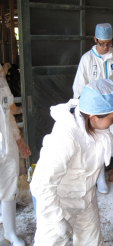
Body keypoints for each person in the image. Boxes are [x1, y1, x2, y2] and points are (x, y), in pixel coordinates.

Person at [31, 79, 113, 246]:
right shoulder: (65, 137)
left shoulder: (95, 115)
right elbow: (41, 185)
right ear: (93, 118)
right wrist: (57, 222)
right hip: (59, 203)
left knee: (92, 242)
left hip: (86, 199)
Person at [72, 23, 113, 194]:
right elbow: (78, 88)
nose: (106, 47)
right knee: (96, 145)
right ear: (95, 40)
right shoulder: (87, 59)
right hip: (96, 114)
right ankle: (100, 180)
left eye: (109, 43)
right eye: (102, 43)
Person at [0, 63, 31, 246]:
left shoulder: (2, 84)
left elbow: (9, 115)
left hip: (7, 147)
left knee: (9, 188)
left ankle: (10, 233)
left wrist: (19, 142)